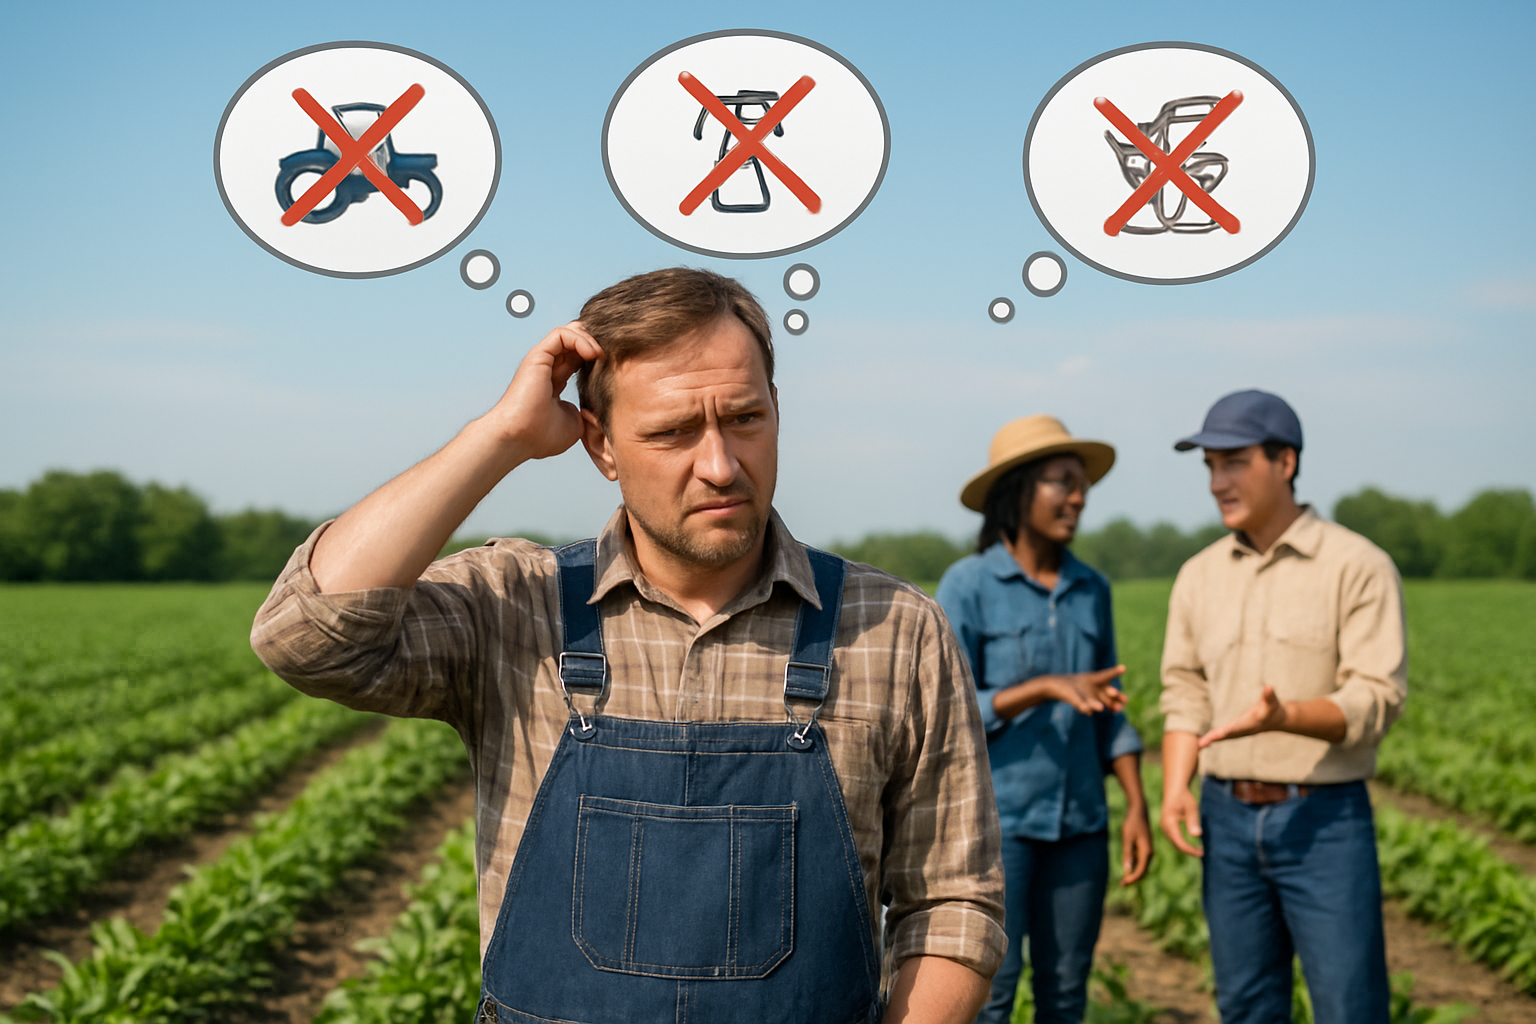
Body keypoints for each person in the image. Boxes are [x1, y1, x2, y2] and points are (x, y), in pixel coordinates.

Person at [250, 267, 1006, 1024]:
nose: (720, 465)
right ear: (600, 445)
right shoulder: (518, 606)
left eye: (744, 418)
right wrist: (500, 437)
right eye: (672, 432)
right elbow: (304, 637)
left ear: (778, 409)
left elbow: (952, 905)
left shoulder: (896, 629)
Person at [1158, 390, 1407, 1024]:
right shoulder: (1198, 575)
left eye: (1234, 462)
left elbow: (1377, 696)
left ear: (1286, 461)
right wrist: (1176, 787)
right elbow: (1184, 689)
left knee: (1350, 1005)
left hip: (1323, 819)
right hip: (1226, 821)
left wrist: (1285, 716)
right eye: (1210, 465)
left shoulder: (1358, 566)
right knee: (1245, 1005)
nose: (1218, 482)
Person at [934, 415, 1151, 1024]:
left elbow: (1113, 710)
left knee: (1065, 992)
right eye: (1060, 482)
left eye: (1080, 485)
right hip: (997, 832)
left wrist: (1136, 807)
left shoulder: (1091, 588)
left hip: (1081, 827)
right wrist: (1042, 688)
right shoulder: (969, 585)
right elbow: (948, 710)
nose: (1077, 497)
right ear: (1017, 492)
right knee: (991, 994)